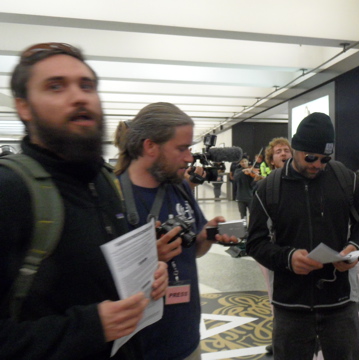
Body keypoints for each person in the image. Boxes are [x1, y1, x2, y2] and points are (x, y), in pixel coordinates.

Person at [0, 42, 168, 359]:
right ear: (24, 107)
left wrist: (148, 276)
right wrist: (89, 327)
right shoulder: (10, 191)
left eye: (86, 85)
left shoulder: (104, 181)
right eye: (55, 86)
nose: (79, 96)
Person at [113, 102, 237, 360]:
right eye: (181, 148)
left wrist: (205, 236)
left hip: (186, 339)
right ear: (150, 146)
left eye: (189, 149)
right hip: (138, 348)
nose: (189, 158)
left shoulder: (179, 187)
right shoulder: (113, 198)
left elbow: (195, 252)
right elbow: (97, 284)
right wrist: (150, 259)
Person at [246, 112, 359, 360]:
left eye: (325, 159)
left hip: (340, 303)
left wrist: (353, 248)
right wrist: (288, 258)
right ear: (295, 148)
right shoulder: (269, 187)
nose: (318, 165)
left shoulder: (346, 180)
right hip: (290, 307)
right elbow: (255, 243)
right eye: (311, 157)